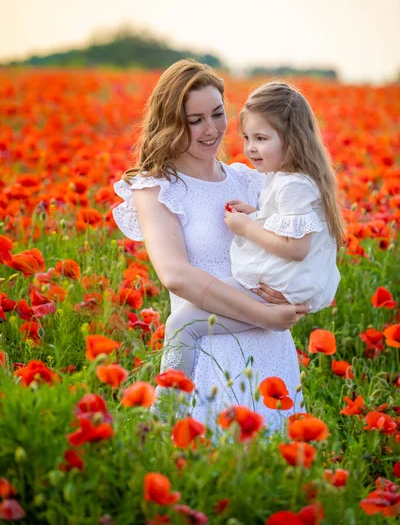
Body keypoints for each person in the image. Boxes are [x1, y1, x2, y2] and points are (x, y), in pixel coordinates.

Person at [112, 59, 309, 431]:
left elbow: (298, 244)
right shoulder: (158, 188)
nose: (211, 129)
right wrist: (265, 314)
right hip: (207, 354)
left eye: (217, 114)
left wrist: (295, 298)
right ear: (170, 122)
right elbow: (176, 276)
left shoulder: (250, 181)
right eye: (194, 119)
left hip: (271, 354)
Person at [164, 81, 345, 379]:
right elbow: (286, 225)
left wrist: (247, 227)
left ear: (292, 140)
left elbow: (296, 247)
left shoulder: (293, 184)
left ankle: (167, 402)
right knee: (183, 324)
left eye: (261, 138)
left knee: (180, 325)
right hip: (278, 286)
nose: (250, 148)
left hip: (274, 289)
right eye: (247, 137)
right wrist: (258, 216)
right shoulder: (283, 178)